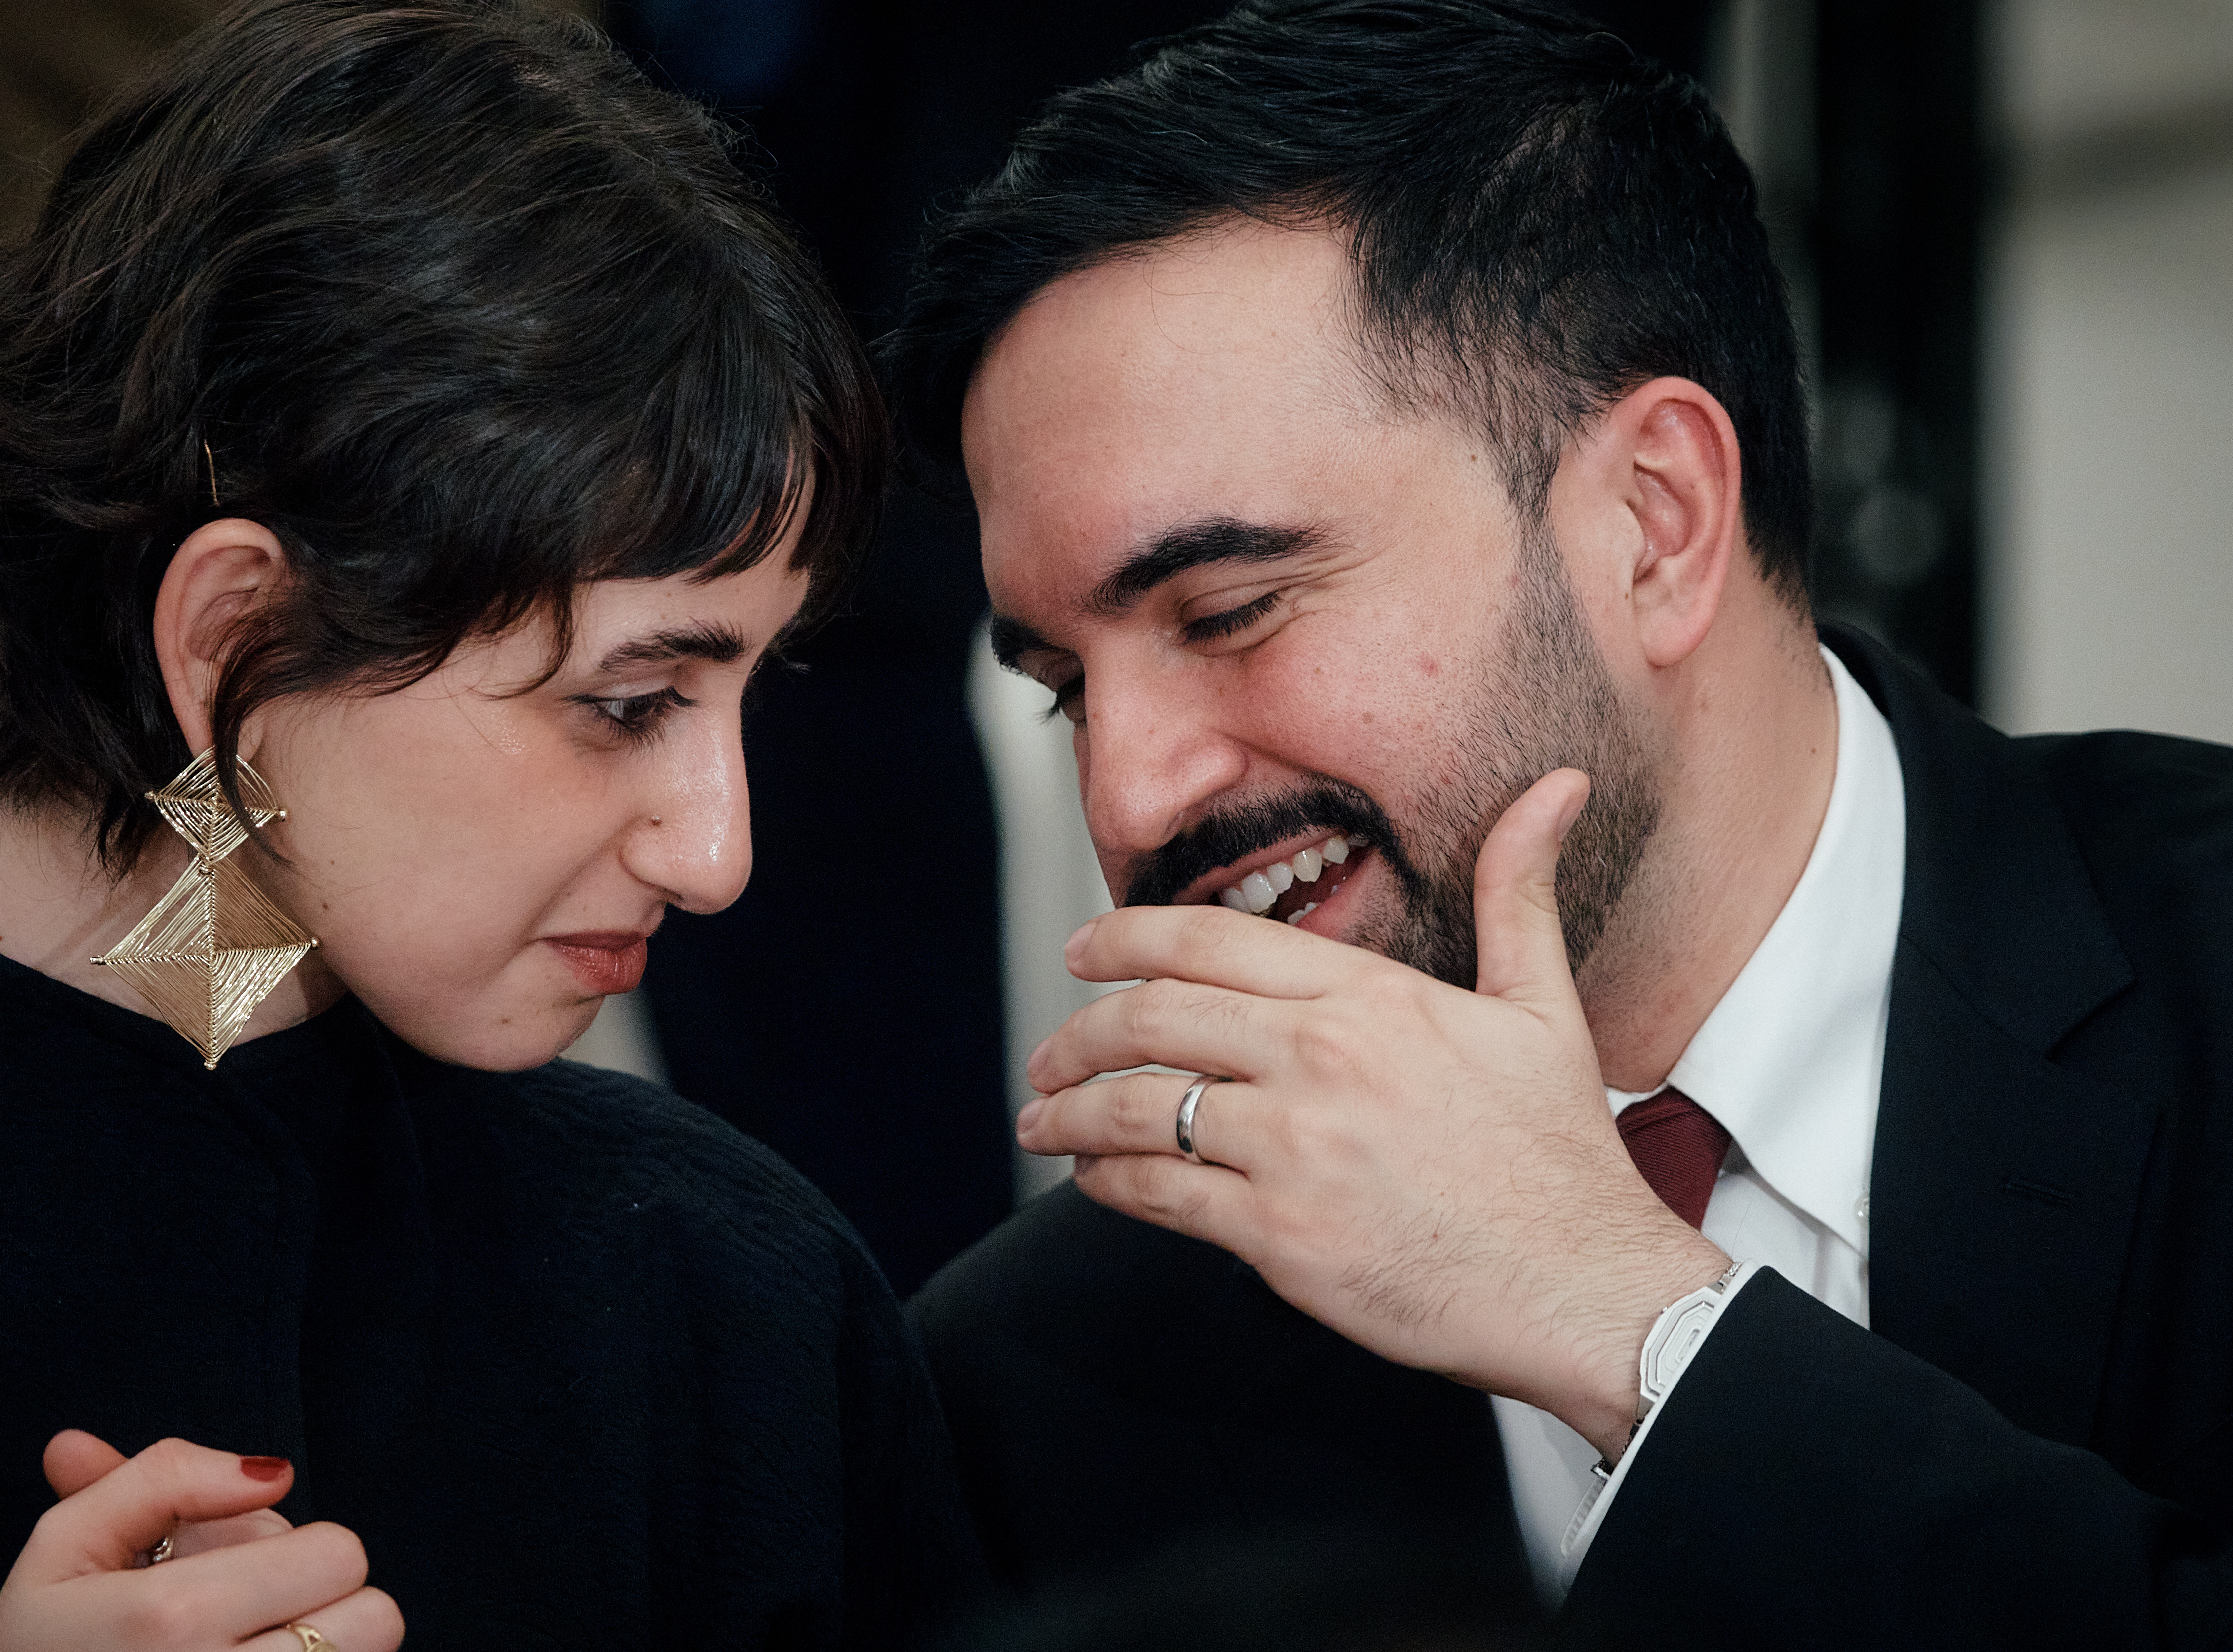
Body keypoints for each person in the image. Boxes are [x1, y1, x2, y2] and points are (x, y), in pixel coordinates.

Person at [885, 1, 2233, 1644]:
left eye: (1230, 608)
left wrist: (1637, 1325)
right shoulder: (1040, 1371)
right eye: (1062, 686)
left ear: (1653, 521)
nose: (1126, 791)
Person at [0, 2, 980, 1645]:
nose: (718, 852)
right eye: (625, 703)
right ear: (230, 638)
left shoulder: (727, 1300)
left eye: (753, 690)